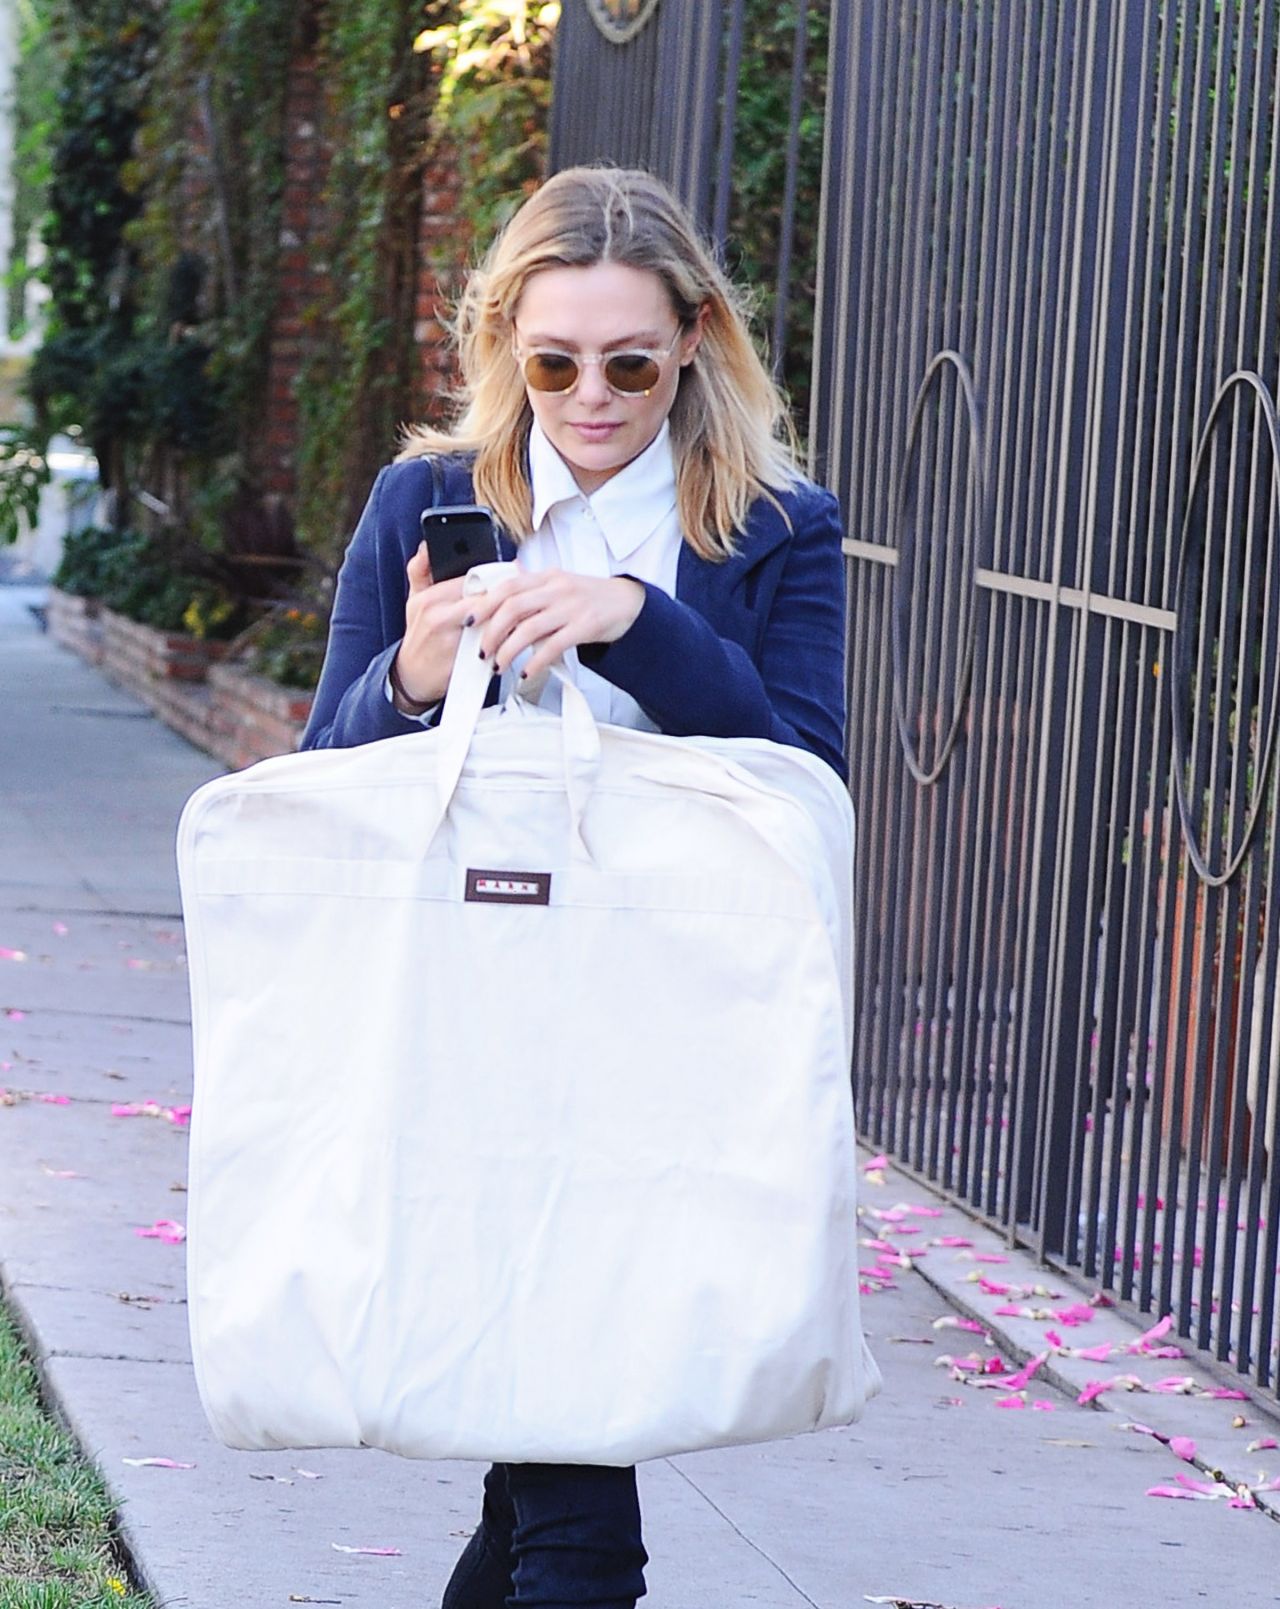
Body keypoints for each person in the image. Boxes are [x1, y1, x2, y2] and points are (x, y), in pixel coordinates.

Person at [301, 164, 847, 1609]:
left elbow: (805, 778)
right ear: (505, 345)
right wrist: (412, 673)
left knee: (548, 1440)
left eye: (631, 364)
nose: (591, 398)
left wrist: (636, 621)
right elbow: (322, 778)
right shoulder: (428, 499)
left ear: (695, 339)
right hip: (466, 1018)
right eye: (554, 363)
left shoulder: (776, 526)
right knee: (578, 1498)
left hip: (659, 1021)